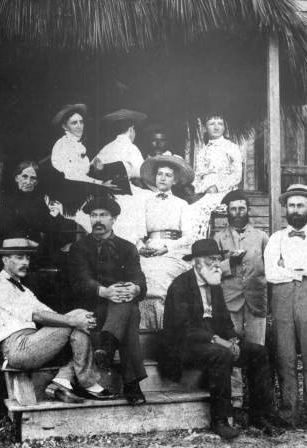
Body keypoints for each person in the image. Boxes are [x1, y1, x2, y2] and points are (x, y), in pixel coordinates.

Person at [161, 239, 286, 440]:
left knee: (258, 352)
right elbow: (184, 330)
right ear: (197, 262)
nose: (218, 264)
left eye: (219, 259)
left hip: (214, 341)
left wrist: (233, 340)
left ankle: (259, 415)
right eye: (212, 259)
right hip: (184, 347)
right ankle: (220, 419)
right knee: (220, 353)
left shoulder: (215, 284)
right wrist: (219, 340)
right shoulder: (179, 286)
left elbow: (226, 322)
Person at [0, 237, 114, 404]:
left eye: (27, 258)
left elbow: (48, 312)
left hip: (34, 342)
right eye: (19, 257)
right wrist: (74, 320)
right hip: (16, 348)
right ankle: (86, 383)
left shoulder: (22, 289)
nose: (26, 262)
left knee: (77, 318)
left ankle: (62, 381)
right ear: (5, 260)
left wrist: (77, 319)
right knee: (74, 321)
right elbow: (37, 316)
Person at [264, 184, 307, 430]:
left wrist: (289, 268)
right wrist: (302, 268)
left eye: (300, 205)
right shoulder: (276, 238)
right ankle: (288, 415)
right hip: (282, 298)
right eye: (291, 205)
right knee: (285, 358)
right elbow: (271, 273)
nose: (295, 210)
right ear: (286, 208)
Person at [67, 197, 147, 405]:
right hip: (93, 307)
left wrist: (134, 288)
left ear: (114, 219)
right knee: (131, 312)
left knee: (127, 302)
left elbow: (139, 279)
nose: (97, 220)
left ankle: (108, 346)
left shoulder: (128, 248)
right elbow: (79, 281)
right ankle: (132, 384)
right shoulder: (79, 248)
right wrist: (104, 291)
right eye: (94, 215)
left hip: (118, 308)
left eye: (103, 215)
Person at [0, 160, 80, 305]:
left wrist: (54, 216)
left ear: (37, 182)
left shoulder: (41, 203)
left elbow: (51, 231)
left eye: (33, 178)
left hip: (36, 257)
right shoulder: (6, 201)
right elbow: (0, 232)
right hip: (11, 256)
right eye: (24, 176)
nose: (28, 181)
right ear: (16, 178)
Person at [214, 190, 268, 411]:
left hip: (256, 300)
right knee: (232, 349)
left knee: (257, 351)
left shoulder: (262, 237)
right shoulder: (218, 238)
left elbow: (271, 269)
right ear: (227, 212)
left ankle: (259, 402)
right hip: (230, 300)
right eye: (233, 209)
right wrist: (230, 262)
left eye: (241, 208)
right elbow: (213, 270)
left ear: (248, 210)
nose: (237, 213)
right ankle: (235, 401)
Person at [136, 152, 194, 329]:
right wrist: (140, 247)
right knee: (141, 280)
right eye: (160, 174)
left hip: (173, 250)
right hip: (149, 250)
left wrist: (167, 248)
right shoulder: (144, 202)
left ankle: (165, 331)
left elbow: (188, 236)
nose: (163, 178)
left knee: (161, 280)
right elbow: (138, 234)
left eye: (168, 175)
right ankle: (145, 332)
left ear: (174, 181)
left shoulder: (181, 204)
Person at [92, 109, 152, 244]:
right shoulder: (131, 147)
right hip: (125, 192)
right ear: (131, 130)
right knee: (149, 197)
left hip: (107, 192)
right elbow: (141, 173)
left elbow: (93, 168)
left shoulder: (106, 148)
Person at [186, 113, 243, 240]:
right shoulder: (202, 151)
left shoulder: (231, 147)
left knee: (196, 209)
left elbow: (237, 176)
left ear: (224, 127)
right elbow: (198, 176)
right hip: (203, 191)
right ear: (205, 128)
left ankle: (198, 241)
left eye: (220, 124)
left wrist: (217, 187)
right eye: (212, 124)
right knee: (187, 206)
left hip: (223, 191)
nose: (216, 127)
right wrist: (196, 189)